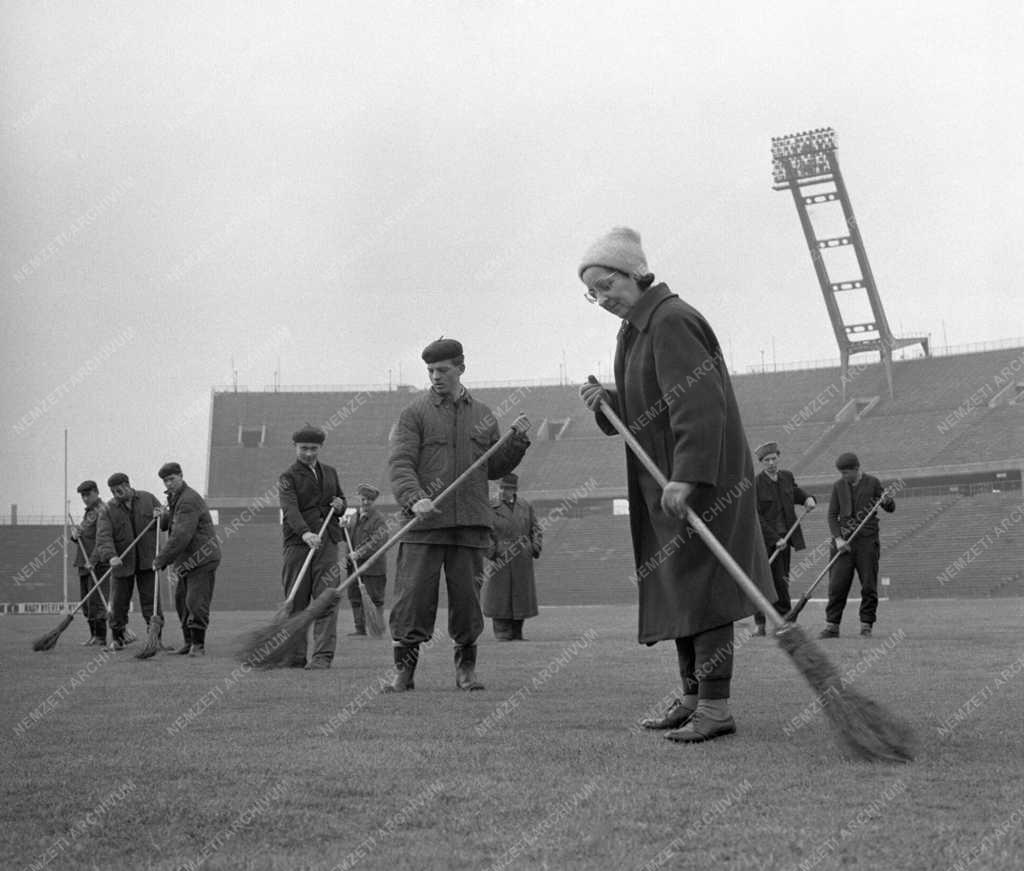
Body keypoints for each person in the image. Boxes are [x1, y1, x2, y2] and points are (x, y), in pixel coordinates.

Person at [577, 227, 775, 744]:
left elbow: (699, 406)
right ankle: (691, 697)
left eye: (606, 285)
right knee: (682, 588)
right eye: (592, 293)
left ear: (633, 272)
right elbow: (648, 412)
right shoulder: (634, 331)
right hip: (664, 483)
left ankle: (715, 704)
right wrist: (610, 406)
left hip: (702, 482)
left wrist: (687, 475)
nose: (601, 300)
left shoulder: (672, 321)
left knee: (705, 589)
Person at [386, 337, 531, 692]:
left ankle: (466, 670)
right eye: (431, 371)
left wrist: (515, 442)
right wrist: (414, 497)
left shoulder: (483, 415)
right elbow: (401, 463)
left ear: (461, 368)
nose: (436, 376)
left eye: (443, 370)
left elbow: (493, 468)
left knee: (467, 601)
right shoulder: (413, 414)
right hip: (425, 524)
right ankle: (404, 672)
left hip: (469, 524)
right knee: (412, 599)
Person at [279, 424, 347, 669]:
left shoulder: (330, 472)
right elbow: (290, 509)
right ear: (295, 447)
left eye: (313, 448)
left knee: (327, 598)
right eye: (303, 448)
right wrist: (305, 532)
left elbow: (340, 499)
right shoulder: (287, 477)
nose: (308, 453)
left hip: (328, 542)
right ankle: (295, 656)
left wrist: (340, 504)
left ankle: (322, 657)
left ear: (320, 448)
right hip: (298, 545)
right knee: (297, 602)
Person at [819, 452, 895, 639]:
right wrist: (838, 539)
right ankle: (832, 626)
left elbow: (890, 507)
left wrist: (887, 500)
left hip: (867, 541)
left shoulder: (873, 483)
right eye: (841, 473)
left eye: (846, 472)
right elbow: (831, 516)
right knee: (837, 585)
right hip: (843, 542)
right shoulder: (838, 486)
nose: (844, 476)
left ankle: (866, 625)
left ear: (856, 469)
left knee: (868, 584)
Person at [154, 462, 221, 656]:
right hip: (186, 560)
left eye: (172, 479)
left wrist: (161, 559)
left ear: (181, 476)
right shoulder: (176, 499)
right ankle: (188, 642)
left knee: (195, 601)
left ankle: (198, 645)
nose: (169, 483)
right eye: (166, 481)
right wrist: (164, 515)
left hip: (202, 558)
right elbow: (169, 525)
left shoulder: (189, 500)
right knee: (181, 601)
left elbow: (182, 534)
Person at [753, 442, 815, 635]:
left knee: (781, 580)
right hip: (765, 540)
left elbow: (795, 492)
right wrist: (774, 539)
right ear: (761, 463)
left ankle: (784, 621)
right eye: (766, 460)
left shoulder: (787, 477)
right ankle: (762, 623)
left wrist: (807, 498)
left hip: (786, 537)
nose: (771, 463)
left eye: (773, 458)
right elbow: (756, 516)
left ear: (778, 457)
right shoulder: (756, 483)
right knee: (763, 581)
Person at [94, 473, 161, 651]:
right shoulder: (108, 509)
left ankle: (155, 639)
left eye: (119, 490)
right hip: (121, 564)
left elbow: (166, 522)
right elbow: (103, 536)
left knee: (152, 602)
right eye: (112, 491)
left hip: (147, 562)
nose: (116, 494)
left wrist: (163, 515)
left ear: (127, 485)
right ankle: (117, 639)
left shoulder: (148, 498)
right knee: (118, 604)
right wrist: (110, 556)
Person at [482, 473, 542, 641]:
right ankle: (502, 632)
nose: (504, 491)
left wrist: (533, 547)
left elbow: (536, 528)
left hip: (522, 556)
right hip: (501, 557)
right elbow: (484, 532)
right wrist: (493, 551)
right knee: (500, 594)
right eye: (502, 488)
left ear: (514, 489)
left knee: (521, 594)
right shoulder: (490, 507)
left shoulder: (526, 506)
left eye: (508, 488)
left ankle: (517, 632)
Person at [344, 483, 389, 637]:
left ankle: (376, 628)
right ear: (359, 498)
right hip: (355, 567)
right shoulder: (353, 517)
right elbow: (346, 538)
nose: (365, 502)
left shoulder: (379, 520)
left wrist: (360, 553)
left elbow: (378, 543)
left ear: (373, 501)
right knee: (355, 598)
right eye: (363, 499)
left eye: (369, 500)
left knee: (375, 598)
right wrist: (342, 527)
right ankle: (360, 629)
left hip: (373, 568)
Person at [70, 480, 109, 646]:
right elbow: (81, 536)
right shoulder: (88, 513)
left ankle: (100, 636)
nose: (85, 498)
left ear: (96, 492)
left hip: (98, 563)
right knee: (86, 603)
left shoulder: (103, 511)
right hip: (83, 562)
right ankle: (93, 635)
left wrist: (93, 560)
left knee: (96, 601)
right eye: (83, 496)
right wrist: (75, 534)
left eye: (88, 494)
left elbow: (103, 539)